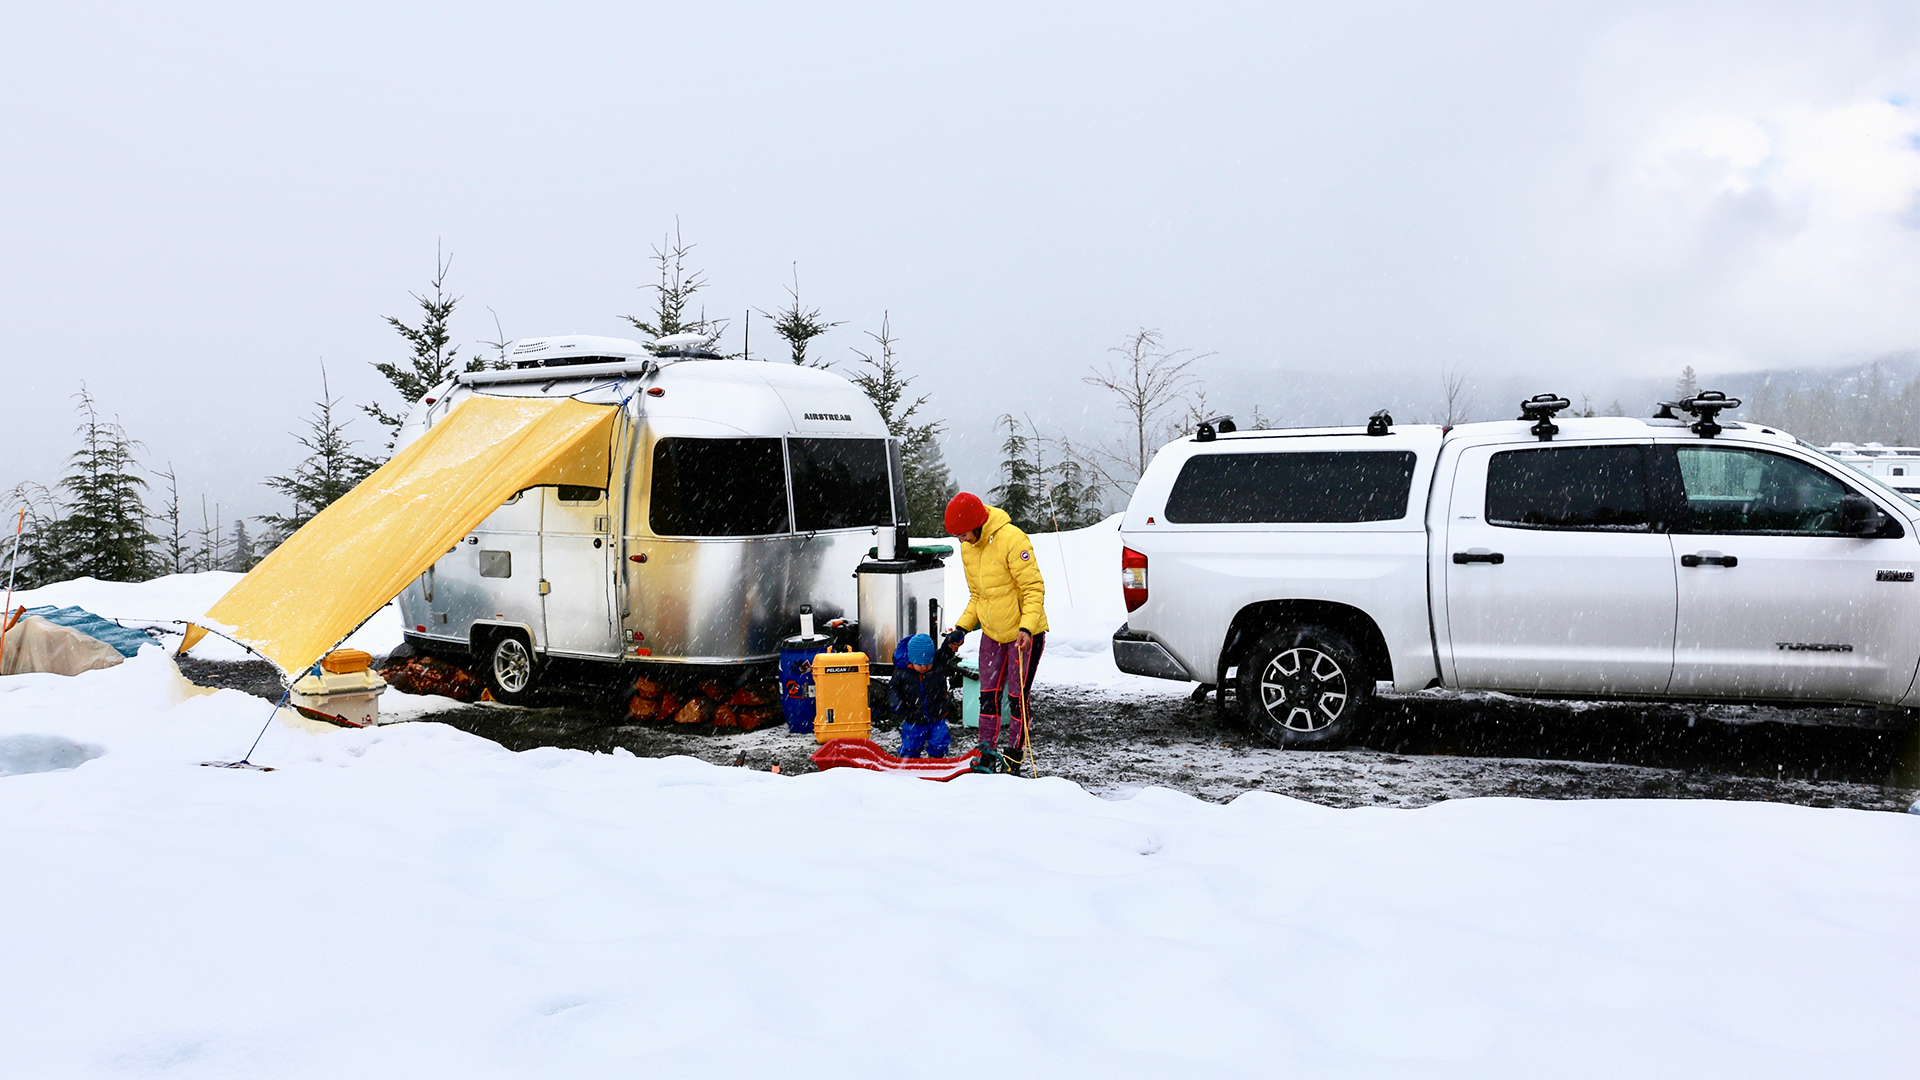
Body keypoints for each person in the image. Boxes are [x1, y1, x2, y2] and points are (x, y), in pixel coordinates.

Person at [942, 491, 1047, 774]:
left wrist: (1026, 628)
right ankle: (986, 752)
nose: (959, 540)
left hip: (1023, 634)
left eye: (962, 534)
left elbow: (1033, 589)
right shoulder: (968, 548)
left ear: (977, 524)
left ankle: (1014, 756)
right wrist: (962, 628)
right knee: (987, 696)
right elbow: (978, 596)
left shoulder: (1013, 540)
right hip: (992, 632)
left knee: (1016, 699)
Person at [890, 633, 957, 758]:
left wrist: (950, 641)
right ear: (912, 660)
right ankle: (908, 761)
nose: (925, 668)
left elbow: (945, 653)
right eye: (920, 665)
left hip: (937, 715)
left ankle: (936, 759)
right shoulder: (902, 673)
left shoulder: (937, 665)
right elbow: (893, 688)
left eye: (928, 664)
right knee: (912, 743)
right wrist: (896, 702)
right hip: (913, 717)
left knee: (939, 741)